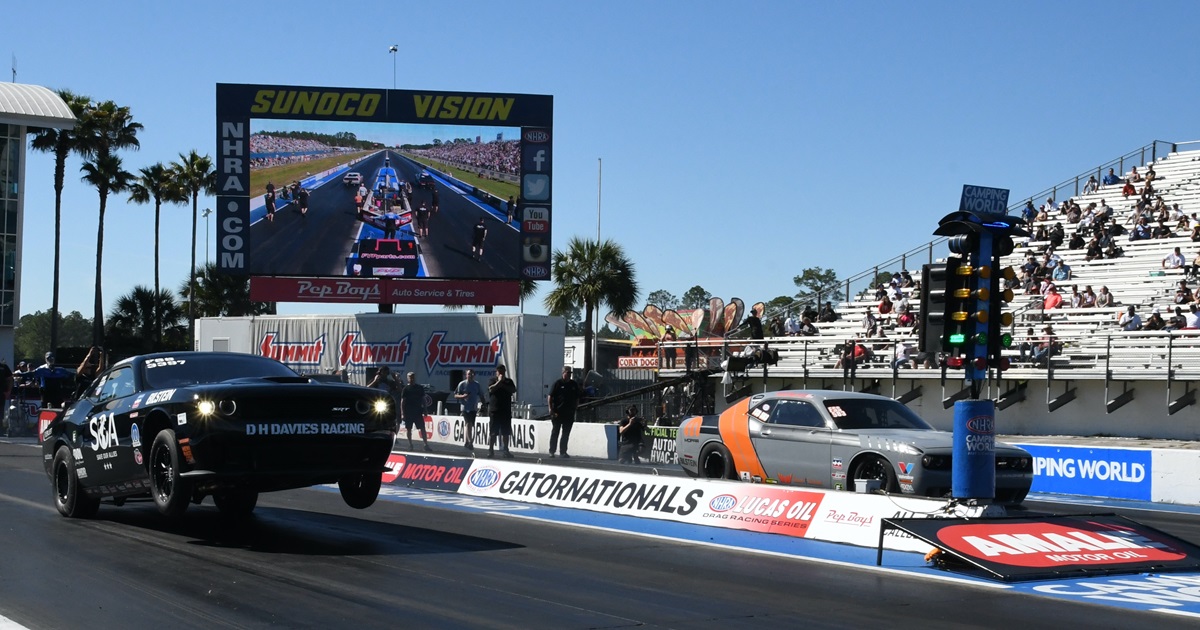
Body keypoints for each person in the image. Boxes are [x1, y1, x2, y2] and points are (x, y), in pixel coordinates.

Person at [547, 366, 582, 458]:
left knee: (566, 433)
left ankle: (563, 451)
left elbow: (577, 397)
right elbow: (550, 396)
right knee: (555, 432)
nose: (569, 375)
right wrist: (550, 409)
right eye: (568, 373)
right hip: (558, 412)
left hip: (569, 412)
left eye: (570, 373)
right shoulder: (557, 383)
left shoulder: (573, 384)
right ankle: (552, 451)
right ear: (563, 373)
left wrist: (576, 406)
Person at [487, 364, 517, 458]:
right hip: (495, 410)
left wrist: (502, 384)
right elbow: (491, 389)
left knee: (506, 432)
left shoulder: (509, 381)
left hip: (505, 410)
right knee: (493, 432)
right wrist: (499, 382)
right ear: (496, 372)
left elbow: (513, 390)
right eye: (499, 371)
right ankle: (491, 450)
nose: (501, 373)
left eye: (503, 371)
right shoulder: (492, 380)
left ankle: (506, 450)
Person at [453, 369, 485, 450]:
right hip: (465, 407)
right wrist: (463, 396)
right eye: (469, 374)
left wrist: (484, 404)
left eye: (472, 374)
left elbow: (481, 395)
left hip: (473, 408)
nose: (470, 376)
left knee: (471, 425)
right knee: (468, 423)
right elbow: (455, 395)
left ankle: (467, 441)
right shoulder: (462, 384)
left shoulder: (477, 385)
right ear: (466, 375)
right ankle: (470, 442)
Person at [399, 371, 432, 452]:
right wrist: (402, 413)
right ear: (407, 378)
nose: (412, 379)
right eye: (410, 377)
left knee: (422, 428)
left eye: (413, 377)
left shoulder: (419, 388)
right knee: (409, 429)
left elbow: (423, 399)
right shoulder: (406, 389)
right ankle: (410, 444)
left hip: (418, 411)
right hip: (408, 412)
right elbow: (402, 402)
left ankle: (426, 444)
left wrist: (425, 409)